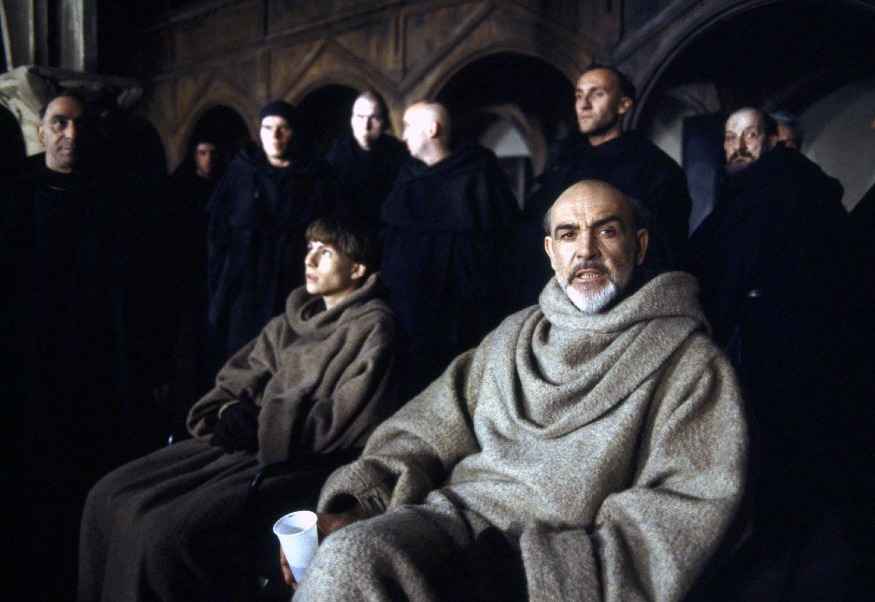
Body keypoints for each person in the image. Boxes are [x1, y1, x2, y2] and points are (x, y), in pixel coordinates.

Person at [283, 180, 749, 601]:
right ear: (551, 252)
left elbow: (680, 513)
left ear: (639, 245)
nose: (586, 251)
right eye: (568, 235)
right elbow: (421, 430)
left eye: (607, 231)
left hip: (547, 565)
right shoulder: (514, 336)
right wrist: (357, 506)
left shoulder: (691, 364)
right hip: (450, 523)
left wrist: (531, 577)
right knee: (347, 557)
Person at [78, 212, 403, 602]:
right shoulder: (290, 321)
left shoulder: (375, 330)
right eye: (309, 248)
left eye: (326, 252)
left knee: (160, 535)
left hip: (290, 465)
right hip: (237, 448)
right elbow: (237, 378)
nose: (310, 260)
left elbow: (349, 420)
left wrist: (267, 422)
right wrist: (228, 410)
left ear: (357, 268)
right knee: (106, 496)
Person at [1, 90, 165, 601]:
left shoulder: (117, 195)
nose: (70, 134)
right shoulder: (15, 193)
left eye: (79, 125)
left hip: (97, 367)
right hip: (28, 365)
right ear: (41, 131)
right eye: (59, 123)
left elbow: (144, 289)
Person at [686, 107, 850, 599]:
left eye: (750, 135)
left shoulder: (779, 191)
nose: (737, 146)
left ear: (773, 139)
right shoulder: (757, 191)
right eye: (730, 136)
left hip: (781, 346)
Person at [515, 64, 692, 307]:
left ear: (623, 105)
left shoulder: (655, 168)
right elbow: (531, 236)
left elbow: (663, 250)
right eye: (579, 95)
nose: (583, 104)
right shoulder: (562, 161)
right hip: (547, 298)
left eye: (597, 94)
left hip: (620, 301)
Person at [379, 101, 521, 396]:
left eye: (408, 127)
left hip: (463, 318)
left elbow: (502, 251)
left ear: (432, 130)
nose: (403, 135)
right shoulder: (407, 176)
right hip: (409, 316)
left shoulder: (478, 173)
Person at [207, 100, 339, 362]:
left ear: (294, 132)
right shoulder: (241, 172)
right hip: (246, 284)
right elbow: (218, 231)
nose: (275, 136)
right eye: (268, 128)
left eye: (283, 128)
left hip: (295, 282)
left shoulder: (315, 175)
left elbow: (331, 232)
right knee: (243, 357)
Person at [164, 134, 227, 430]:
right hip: (187, 273)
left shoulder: (225, 182)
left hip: (215, 274)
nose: (208, 159)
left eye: (213, 152)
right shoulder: (181, 186)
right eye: (203, 152)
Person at [326, 90, 409, 230]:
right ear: (352, 121)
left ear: (384, 122)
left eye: (374, 118)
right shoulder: (336, 157)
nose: (366, 126)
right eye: (360, 117)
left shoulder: (400, 154)